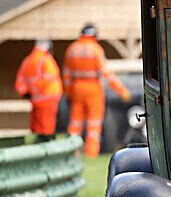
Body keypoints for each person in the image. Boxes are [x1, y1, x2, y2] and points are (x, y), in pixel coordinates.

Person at [63, 24, 131, 157]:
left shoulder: (72, 49)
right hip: (93, 88)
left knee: (75, 123)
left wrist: (70, 93)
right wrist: (122, 91)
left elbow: (66, 75)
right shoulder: (96, 50)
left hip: (77, 88)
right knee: (93, 124)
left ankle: (73, 151)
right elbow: (107, 74)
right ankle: (91, 153)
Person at [15, 39, 63, 142]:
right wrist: (38, 90)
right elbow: (49, 78)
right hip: (48, 99)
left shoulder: (27, 61)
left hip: (35, 100)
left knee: (36, 128)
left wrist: (28, 92)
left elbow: (20, 81)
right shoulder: (46, 60)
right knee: (47, 129)